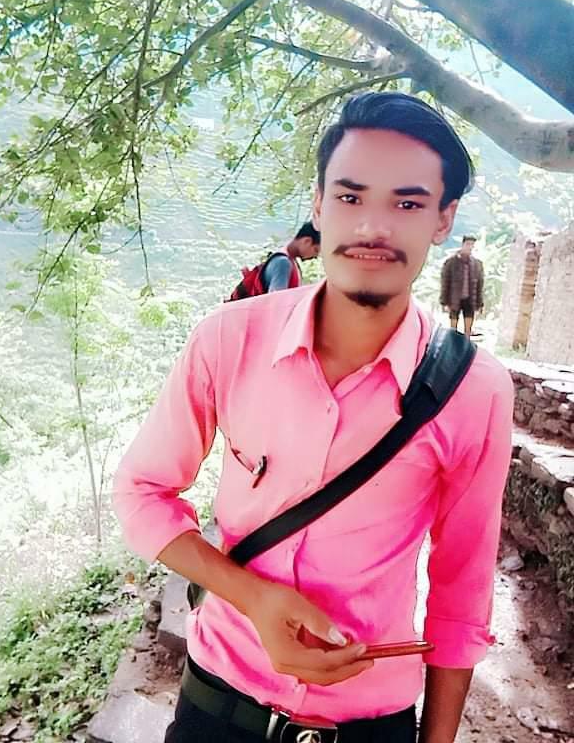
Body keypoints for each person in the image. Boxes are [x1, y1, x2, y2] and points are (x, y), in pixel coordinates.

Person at [113, 92, 514, 743]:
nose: (373, 227)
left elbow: (461, 594)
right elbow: (142, 492)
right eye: (351, 197)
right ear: (319, 205)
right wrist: (252, 597)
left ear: (443, 219)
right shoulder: (228, 340)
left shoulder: (475, 389)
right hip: (216, 708)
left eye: (407, 204)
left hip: (369, 726)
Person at [227, 221, 320, 301]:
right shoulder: (283, 264)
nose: (315, 257)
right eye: (316, 250)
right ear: (307, 241)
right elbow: (275, 302)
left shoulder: (284, 256)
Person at [440, 235, 484, 338]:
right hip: (454, 299)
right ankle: (453, 344)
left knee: (468, 331)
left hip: (470, 299)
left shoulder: (477, 264)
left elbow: (479, 285)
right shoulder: (451, 262)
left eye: (472, 245)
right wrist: (444, 302)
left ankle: (466, 345)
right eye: (468, 244)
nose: (470, 247)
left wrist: (480, 304)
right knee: (453, 330)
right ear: (463, 244)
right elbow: (445, 282)